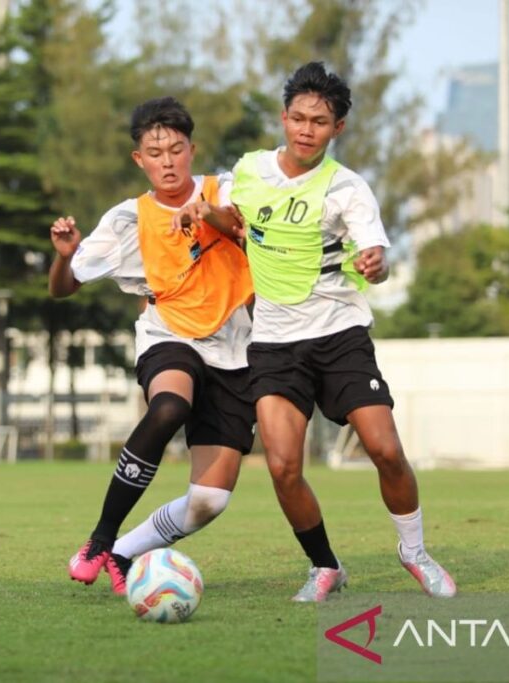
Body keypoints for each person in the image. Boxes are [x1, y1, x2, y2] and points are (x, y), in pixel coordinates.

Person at [174, 62, 456, 600]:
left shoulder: (348, 189)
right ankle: (325, 566)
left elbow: (378, 257)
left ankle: (414, 552)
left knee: (385, 449)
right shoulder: (251, 170)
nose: (306, 129)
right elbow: (235, 222)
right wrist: (203, 211)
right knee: (282, 465)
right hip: (276, 342)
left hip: (340, 333)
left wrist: (378, 266)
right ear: (284, 118)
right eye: (298, 118)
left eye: (320, 121)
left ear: (337, 129)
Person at [49, 96, 255, 596]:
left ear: (192, 150)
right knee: (168, 407)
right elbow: (63, 287)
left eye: (176, 149)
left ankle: (123, 551)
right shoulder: (126, 219)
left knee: (208, 501)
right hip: (169, 334)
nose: (167, 160)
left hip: (235, 347)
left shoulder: (225, 189)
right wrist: (65, 256)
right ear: (139, 159)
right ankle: (100, 540)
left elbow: (245, 230)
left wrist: (208, 214)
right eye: (155, 152)